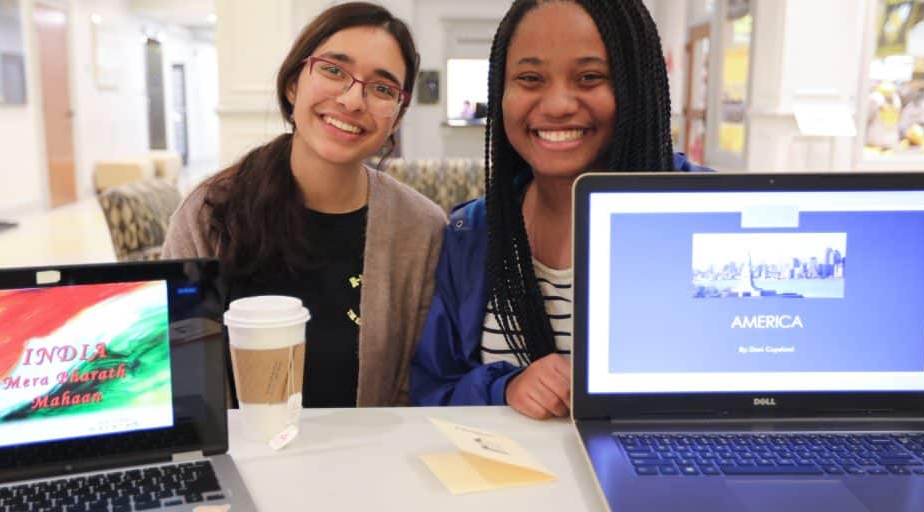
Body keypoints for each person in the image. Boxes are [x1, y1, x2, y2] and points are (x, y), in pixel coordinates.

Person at [410, 0, 708, 419]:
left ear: (636, 86)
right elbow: (432, 390)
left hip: (666, 475)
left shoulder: (706, 211)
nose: (557, 105)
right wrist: (505, 387)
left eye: (590, 77)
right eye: (530, 78)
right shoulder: (473, 232)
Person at [163, 2, 445, 408]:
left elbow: (411, 390)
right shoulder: (210, 212)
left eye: (382, 89)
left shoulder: (420, 229)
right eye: (333, 69)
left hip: (368, 459)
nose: (352, 100)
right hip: (243, 462)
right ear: (294, 82)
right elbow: (182, 380)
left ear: (396, 118)